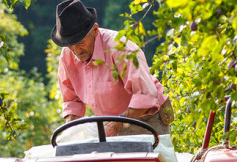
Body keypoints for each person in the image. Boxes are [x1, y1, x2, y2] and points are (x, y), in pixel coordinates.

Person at [51, 0, 174, 137]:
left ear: (95, 31)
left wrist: (116, 125)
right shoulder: (67, 55)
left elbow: (145, 95)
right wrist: (71, 133)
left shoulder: (120, 47)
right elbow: (72, 101)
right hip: (110, 121)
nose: (76, 51)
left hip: (146, 117)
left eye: (81, 43)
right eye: (70, 45)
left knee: (147, 157)